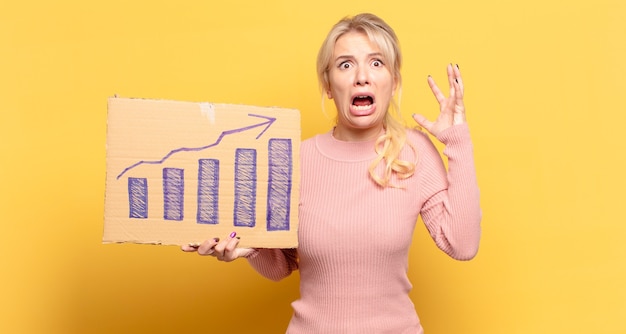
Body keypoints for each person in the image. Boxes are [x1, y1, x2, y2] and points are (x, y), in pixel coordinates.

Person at [182, 13, 481, 333]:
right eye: (346, 64)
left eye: (377, 63)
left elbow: (462, 244)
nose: (362, 77)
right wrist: (249, 248)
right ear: (327, 85)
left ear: (394, 83)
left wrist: (457, 139)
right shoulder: (294, 160)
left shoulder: (414, 151)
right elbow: (280, 266)